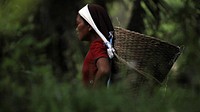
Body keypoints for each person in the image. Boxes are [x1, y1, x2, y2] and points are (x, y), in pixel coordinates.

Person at [76, 4, 115, 88]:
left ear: (89, 26)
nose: (77, 28)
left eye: (78, 24)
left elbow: (104, 70)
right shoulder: (101, 44)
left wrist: (94, 95)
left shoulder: (97, 45)